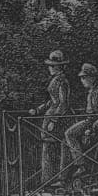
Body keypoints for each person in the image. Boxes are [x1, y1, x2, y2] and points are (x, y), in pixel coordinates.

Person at [64, 63, 98, 182]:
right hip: (90, 122)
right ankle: (65, 177)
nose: (82, 80)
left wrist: (93, 128)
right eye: (81, 78)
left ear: (92, 77)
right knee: (66, 138)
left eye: (84, 77)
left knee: (69, 134)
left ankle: (81, 166)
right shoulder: (92, 91)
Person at [28, 50, 70, 186]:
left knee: (54, 148)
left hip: (59, 119)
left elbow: (63, 104)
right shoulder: (55, 80)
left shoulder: (62, 81)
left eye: (53, 66)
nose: (50, 68)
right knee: (48, 148)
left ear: (60, 67)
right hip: (50, 116)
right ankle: (47, 181)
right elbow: (51, 101)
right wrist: (38, 110)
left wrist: (54, 120)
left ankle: (57, 180)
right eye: (50, 65)